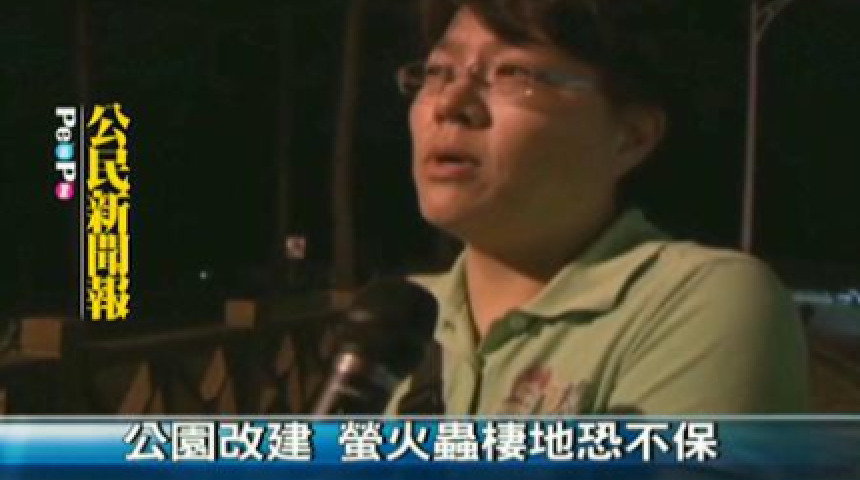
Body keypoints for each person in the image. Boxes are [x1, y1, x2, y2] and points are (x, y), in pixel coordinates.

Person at [385, 0, 808, 414]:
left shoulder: (694, 302)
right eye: (438, 72)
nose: (449, 104)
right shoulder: (391, 321)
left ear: (631, 137)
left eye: (512, 72)